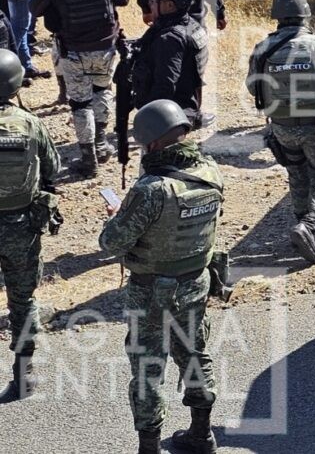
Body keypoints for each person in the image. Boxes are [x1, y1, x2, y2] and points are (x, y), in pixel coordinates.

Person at [98, 99, 222, 454]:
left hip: (150, 290)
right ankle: (202, 436)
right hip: (195, 282)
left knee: (148, 367)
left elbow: (110, 242)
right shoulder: (211, 170)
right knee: (195, 352)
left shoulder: (151, 189)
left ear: (151, 143)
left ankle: (149, 446)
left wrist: (118, 213)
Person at [246, 0, 315, 264]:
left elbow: (251, 86)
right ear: (305, 14)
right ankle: (308, 225)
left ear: (277, 16)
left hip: (281, 127)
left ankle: (300, 224)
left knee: (296, 171)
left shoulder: (263, 47)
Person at [31, 0, 131, 176]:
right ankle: (101, 145)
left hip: (73, 53)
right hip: (105, 50)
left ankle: (89, 158)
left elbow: (35, 9)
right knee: (102, 91)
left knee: (80, 103)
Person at [0, 48, 59, 402]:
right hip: (22, 226)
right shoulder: (30, 123)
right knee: (22, 300)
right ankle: (24, 377)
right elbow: (53, 168)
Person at [131, 0, 206, 125]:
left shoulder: (170, 39)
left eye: (153, 1)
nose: (150, 5)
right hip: (187, 104)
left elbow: (165, 85)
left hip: (172, 114)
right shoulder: (191, 24)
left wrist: (151, 118)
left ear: (169, 6)